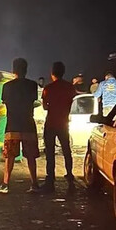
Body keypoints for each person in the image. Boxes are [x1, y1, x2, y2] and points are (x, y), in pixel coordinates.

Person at [0, 58, 41, 194]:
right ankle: (34, 184)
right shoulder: (32, 85)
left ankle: (5, 184)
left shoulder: (7, 86)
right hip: (28, 124)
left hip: (12, 125)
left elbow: (4, 102)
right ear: (26, 70)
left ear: (13, 70)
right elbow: (34, 101)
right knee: (31, 156)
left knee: (9, 156)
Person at [41, 62, 77, 192]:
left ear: (52, 73)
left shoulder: (48, 88)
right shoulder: (70, 87)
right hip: (63, 123)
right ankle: (70, 177)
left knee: (50, 153)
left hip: (51, 123)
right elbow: (71, 101)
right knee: (66, 150)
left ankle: (50, 180)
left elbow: (45, 106)